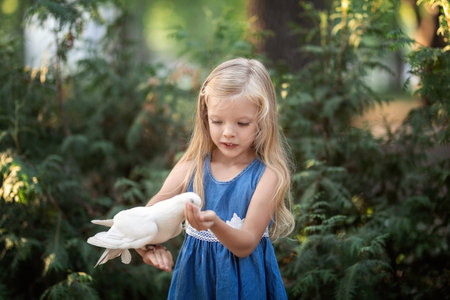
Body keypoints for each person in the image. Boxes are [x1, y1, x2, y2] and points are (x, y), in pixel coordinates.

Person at [137, 57, 295, 299]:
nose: (228, 132)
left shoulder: (267, 175)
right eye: (217, 121)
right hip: (195, 285)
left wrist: (214, 224)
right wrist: (147, 248)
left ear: (262, 121)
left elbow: (245, 244)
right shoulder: (193, 166)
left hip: (245, 287)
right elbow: (148, 217)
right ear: (205, 116)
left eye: (242, 123)